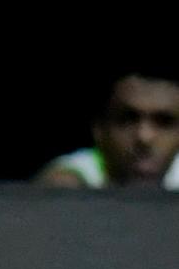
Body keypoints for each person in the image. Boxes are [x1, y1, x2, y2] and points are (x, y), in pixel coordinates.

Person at [36, 68, 179, 190]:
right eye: (127, 119)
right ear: (98, 129)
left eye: (165, 122)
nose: (144, 137)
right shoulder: (72, 178)